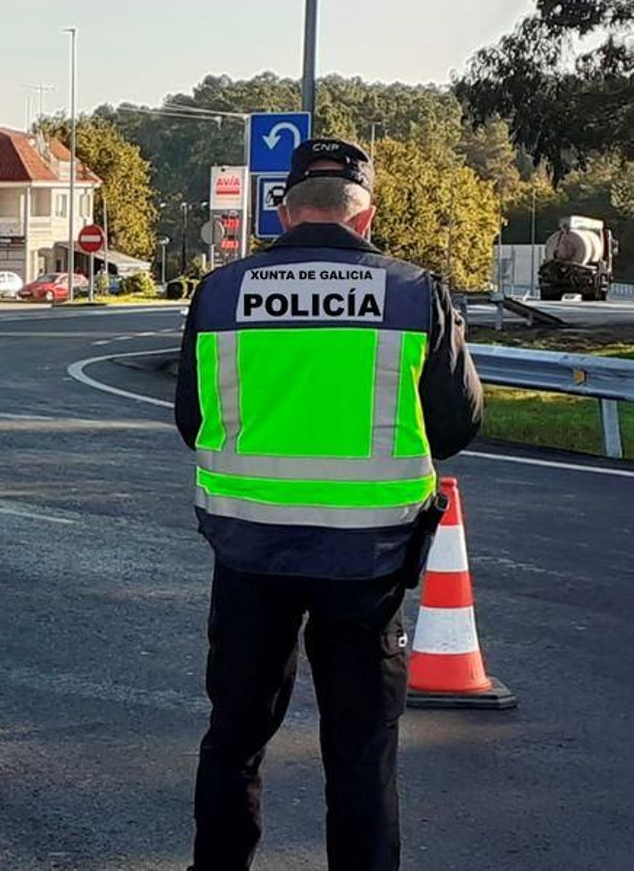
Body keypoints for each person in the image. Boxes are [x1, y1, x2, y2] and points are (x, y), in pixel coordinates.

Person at [173, 139, 483, 871]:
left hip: (250, 553)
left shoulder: (220, 293)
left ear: (282, 212)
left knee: (235, 736)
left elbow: (193, 419)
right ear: (365, 214)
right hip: (366, 561)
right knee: (361, 752)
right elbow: (457, 423)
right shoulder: (413, 292)